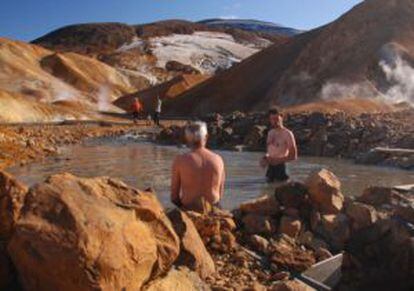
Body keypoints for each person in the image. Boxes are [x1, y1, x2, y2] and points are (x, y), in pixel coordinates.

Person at [171, 121, 225, 213]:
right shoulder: (218, 159)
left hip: (188, 209)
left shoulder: (180, 160)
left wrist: (182, 209)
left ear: (187, 139)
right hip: (213, 209)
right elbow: (220, 193)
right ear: (206, 137)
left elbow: (174, 197)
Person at [260, 107, 298, 183]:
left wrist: (277, 161)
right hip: (270, 169)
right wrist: (265, 158)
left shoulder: (288, 134)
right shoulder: (270, 133)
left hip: (282, 168)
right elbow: (270, 151)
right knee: (267, 191)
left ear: (282, 118)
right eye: (272, 119)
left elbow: (293, 156)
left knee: (281, 191)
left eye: (277, 119)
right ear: (270, 120)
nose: (275, 121)